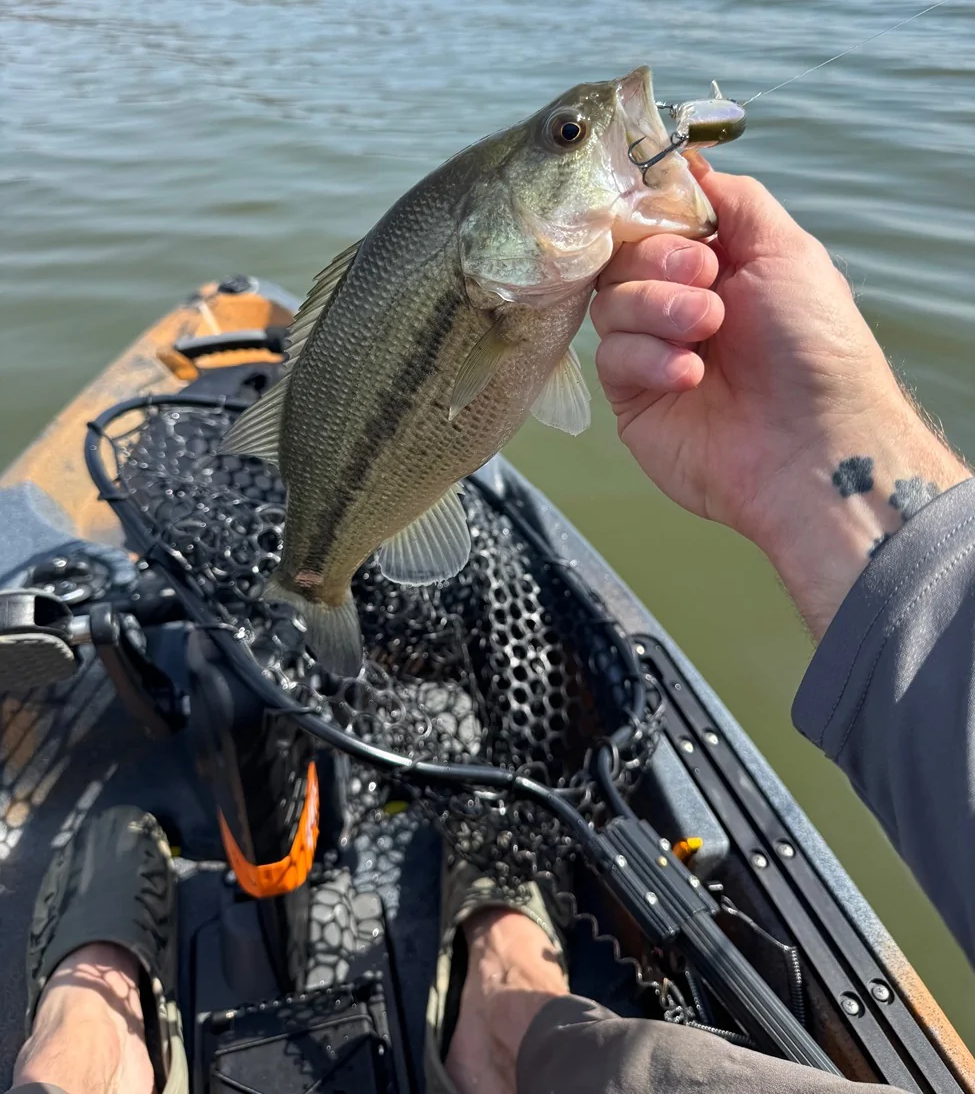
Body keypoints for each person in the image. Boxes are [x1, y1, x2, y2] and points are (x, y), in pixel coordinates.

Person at [7, 162, 974, 1094]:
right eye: (564, 142)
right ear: (483, 239)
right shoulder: (487, 280)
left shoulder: (509, 285)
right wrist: (818, 453)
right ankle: (512, 1004)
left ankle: (83, 1033)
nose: (586, 141)